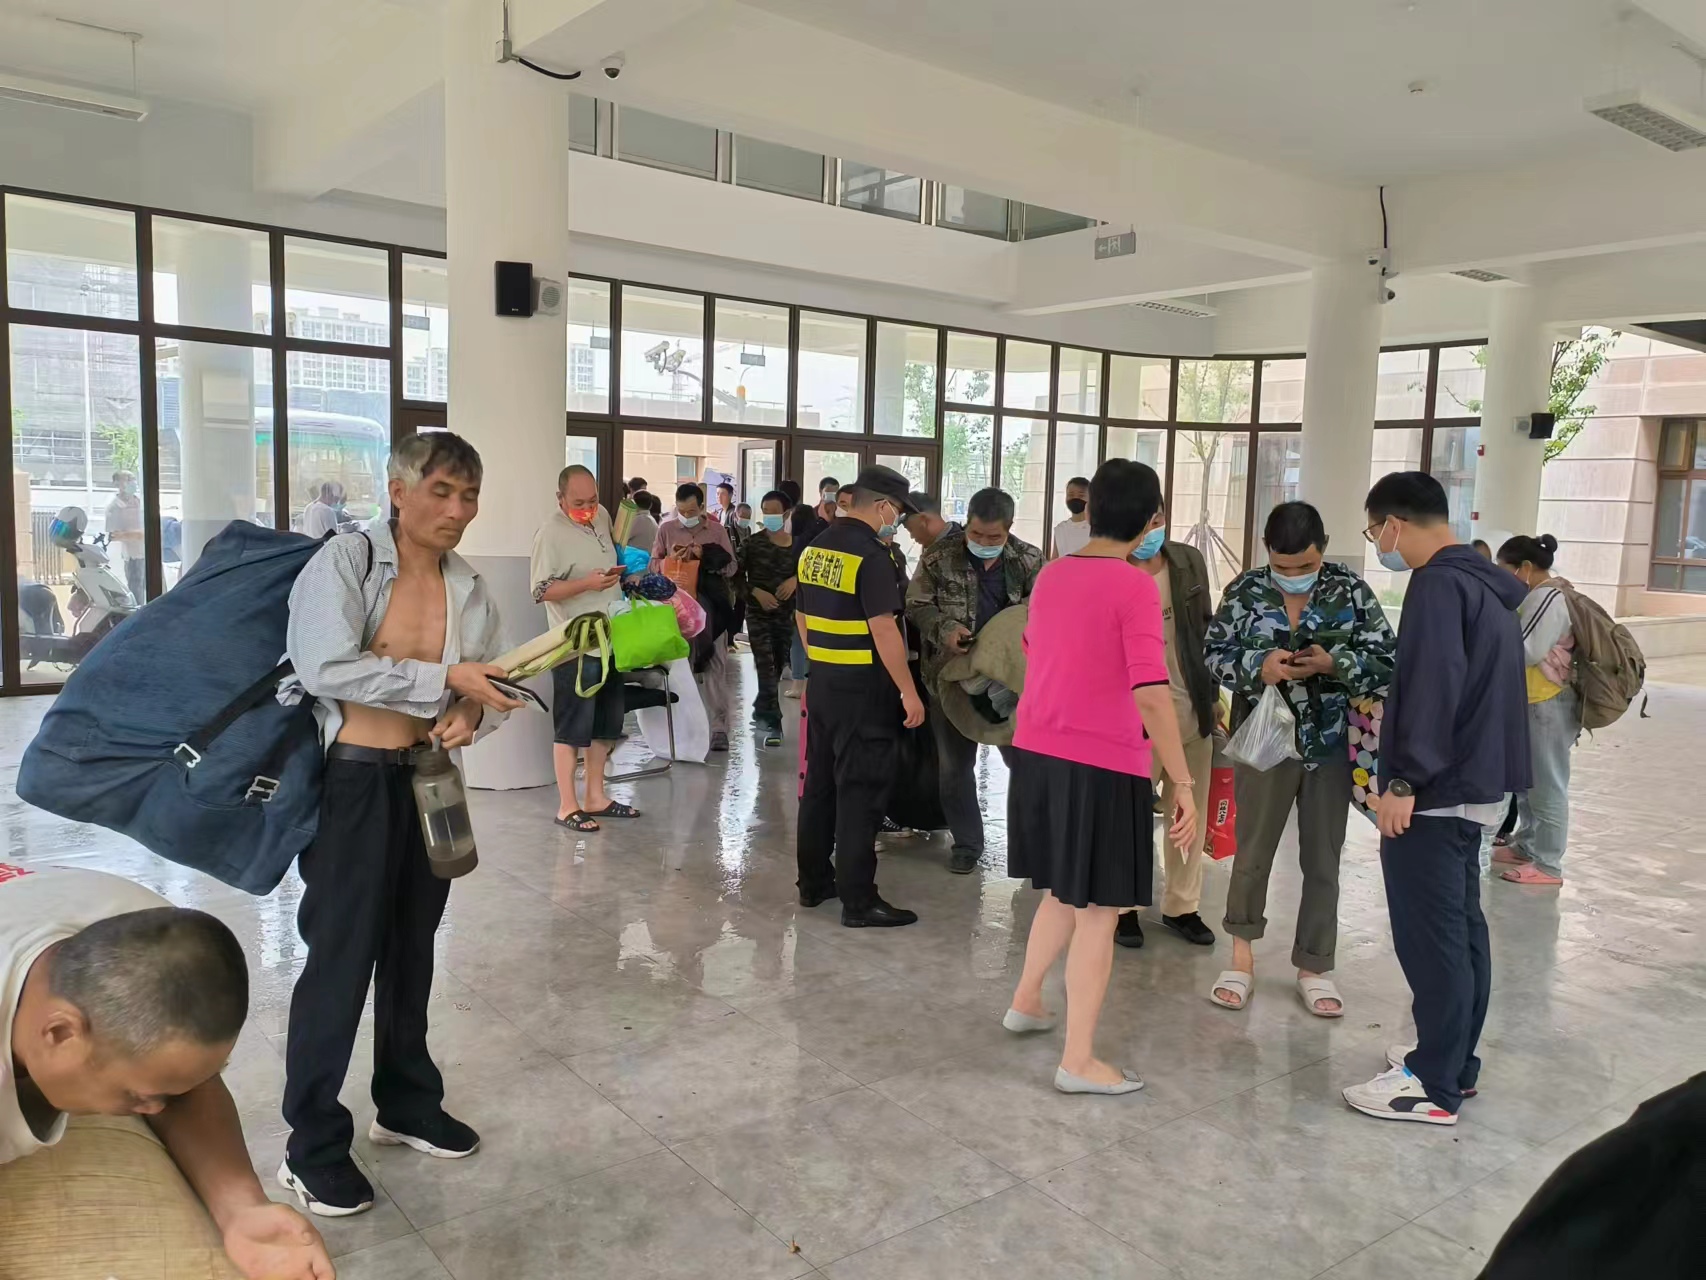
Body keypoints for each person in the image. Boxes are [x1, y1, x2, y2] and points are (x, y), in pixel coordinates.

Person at [281, 431, 520, 1215]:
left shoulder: (469, 586)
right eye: (442, 491)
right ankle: (311, 1145)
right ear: (398, 490)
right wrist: (445, 677)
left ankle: (406, 1103)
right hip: (352, 782)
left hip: (429, 779)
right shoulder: (346, 561)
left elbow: (490, 681)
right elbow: (324, 665)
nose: (458, 510)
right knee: (341, 958)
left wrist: (469, 714)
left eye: (469, 495)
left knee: (413, 949)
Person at [0, 864, 333, 1280]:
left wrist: (242, 1209)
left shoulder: (150, 936)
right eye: (137, 1095)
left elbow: (185, 1082)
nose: (155, 1108)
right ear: (61, 1032)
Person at [1004, 459, 1198, 1095]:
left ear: (1089, 511)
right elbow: (1152, 691)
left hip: (1039, 751)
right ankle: (1079, 1060)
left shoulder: (1052, 574)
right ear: (1151, 518)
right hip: (1103, 761)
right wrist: (1183, 783)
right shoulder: (1134, 586)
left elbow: (1037, 654)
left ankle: (1027, 1000)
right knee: (1100, 912)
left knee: (1063, 891)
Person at [1342, 471, 1529, 1126]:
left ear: (1395, 524)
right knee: (1462, 927)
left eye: (1375, 531)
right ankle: (1453, 1059)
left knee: (1432, 937)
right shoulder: (1484, 583)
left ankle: (1432, 1084)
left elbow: (1433, 686)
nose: (1378, 544)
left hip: (1436, 788)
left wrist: (1403, 782)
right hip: (1475, 782)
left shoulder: (1438, 585)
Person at [1204, 501, 1396, 1017]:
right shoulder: (1246, 590)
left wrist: (1337, 663)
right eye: (1282, 566)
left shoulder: (1350, 590)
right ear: (1267, 551)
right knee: (1252, 853)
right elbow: (1214, 653)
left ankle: (1315, 965)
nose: (1293, 576)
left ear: (1324, 549)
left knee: (1323, 859)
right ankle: (1241, 958)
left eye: (1305, 565)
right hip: (1263, 742)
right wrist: (1257, 666)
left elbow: (1388, 658)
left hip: (1329, 744)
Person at [795, 465, 926, 927]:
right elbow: (884, 628)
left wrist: (823, 660)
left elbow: (801, 617)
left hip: (824, 683)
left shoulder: (815, 548)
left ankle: (813, 883)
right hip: (865, 691)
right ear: (883, 506)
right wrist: (909, 691)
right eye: (898, 511)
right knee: (861, 792)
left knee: (820, 785)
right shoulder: (872, 556)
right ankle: (859, 901)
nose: (898, 520)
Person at [906, 488, 1044, 874]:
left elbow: (1047, 611)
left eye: (993, 536)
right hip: (949, 678)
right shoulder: (939, 556)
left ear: (1009, 528)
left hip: (1010, 682)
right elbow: (916, 604)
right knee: (954, 767)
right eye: (976, 534)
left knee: (1025, 764)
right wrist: (945, 629)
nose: (983, 542)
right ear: (966, 524)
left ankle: (1033, 842)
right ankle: (967, 843)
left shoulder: (1029, 560)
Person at [1118, 499, 1220, 949]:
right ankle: (1123, 907)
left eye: (1157, 520)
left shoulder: (1187, 561)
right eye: (1143, 524)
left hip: (1189, 709)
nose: (1151, 531)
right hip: (1133, 719)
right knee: (1129, 817)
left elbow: (1205, 631)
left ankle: (1182, 906)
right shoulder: (1112, 569)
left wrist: (1212, 698)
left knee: (1189, 815)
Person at [531, 464, 636, 832]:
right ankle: (567, 805)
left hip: (611, 636)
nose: (588, 509)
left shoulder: (602, 515)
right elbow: (540, 591)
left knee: (606, 724)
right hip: (575, 644)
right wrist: (586, 585)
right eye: (579, 503)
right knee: (572, 726)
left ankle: (596, 796)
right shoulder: (550, 534)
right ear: (560, 499)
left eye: (593, 500)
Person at [1493, 533, 1578, 886]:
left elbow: (1526, 650)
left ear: (1525, 568)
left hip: (1548, 701)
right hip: (1532, 699)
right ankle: (1527, 846)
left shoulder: (1547, 597)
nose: (1503, 577)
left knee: (1547, 783)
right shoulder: (1538, 595)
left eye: (1505, 570)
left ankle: (1548, 864)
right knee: (1527, 784)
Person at [655, 482, 738, 751]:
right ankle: (686, 728)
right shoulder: (666, 529)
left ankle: (719, 729)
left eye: (691, 511)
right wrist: (670, 560)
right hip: (678, 609)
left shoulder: (716, 530)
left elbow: (732, 567)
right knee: (682, 667)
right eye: (681, 511)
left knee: (715, 666)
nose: (685, 516)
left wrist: (706, 557)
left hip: (713, 608)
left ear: (702, 507)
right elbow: (653, 565)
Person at [739, 490, 802, 746]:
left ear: (786, 514)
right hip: (758, 614)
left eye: (774, 512)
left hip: (786, 615)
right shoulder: (752, 544)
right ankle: (773, 724)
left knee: (778, 663)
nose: (769, 517)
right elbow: (734, 579)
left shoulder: (799, 546)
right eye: (765, 511)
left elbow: (811, 574)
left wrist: (796, 580)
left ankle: (762, 706)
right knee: (766, 664)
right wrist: (755, 592)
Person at [104, 470, 146, 603]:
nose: (132, 483)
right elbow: (113, 535)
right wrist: (138, 535)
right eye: (128, 479)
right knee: (137, 594)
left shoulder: (140, 502)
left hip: (148, 552)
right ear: (118, 484)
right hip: (133, 557)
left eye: (133, 479)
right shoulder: (114, 508)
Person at [1049, 476, 1092, 559]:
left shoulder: (1098, 529)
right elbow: (1054, 559)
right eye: (1071, 495)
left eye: (1081, 495)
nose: (1075, 498)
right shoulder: (1060, 529)